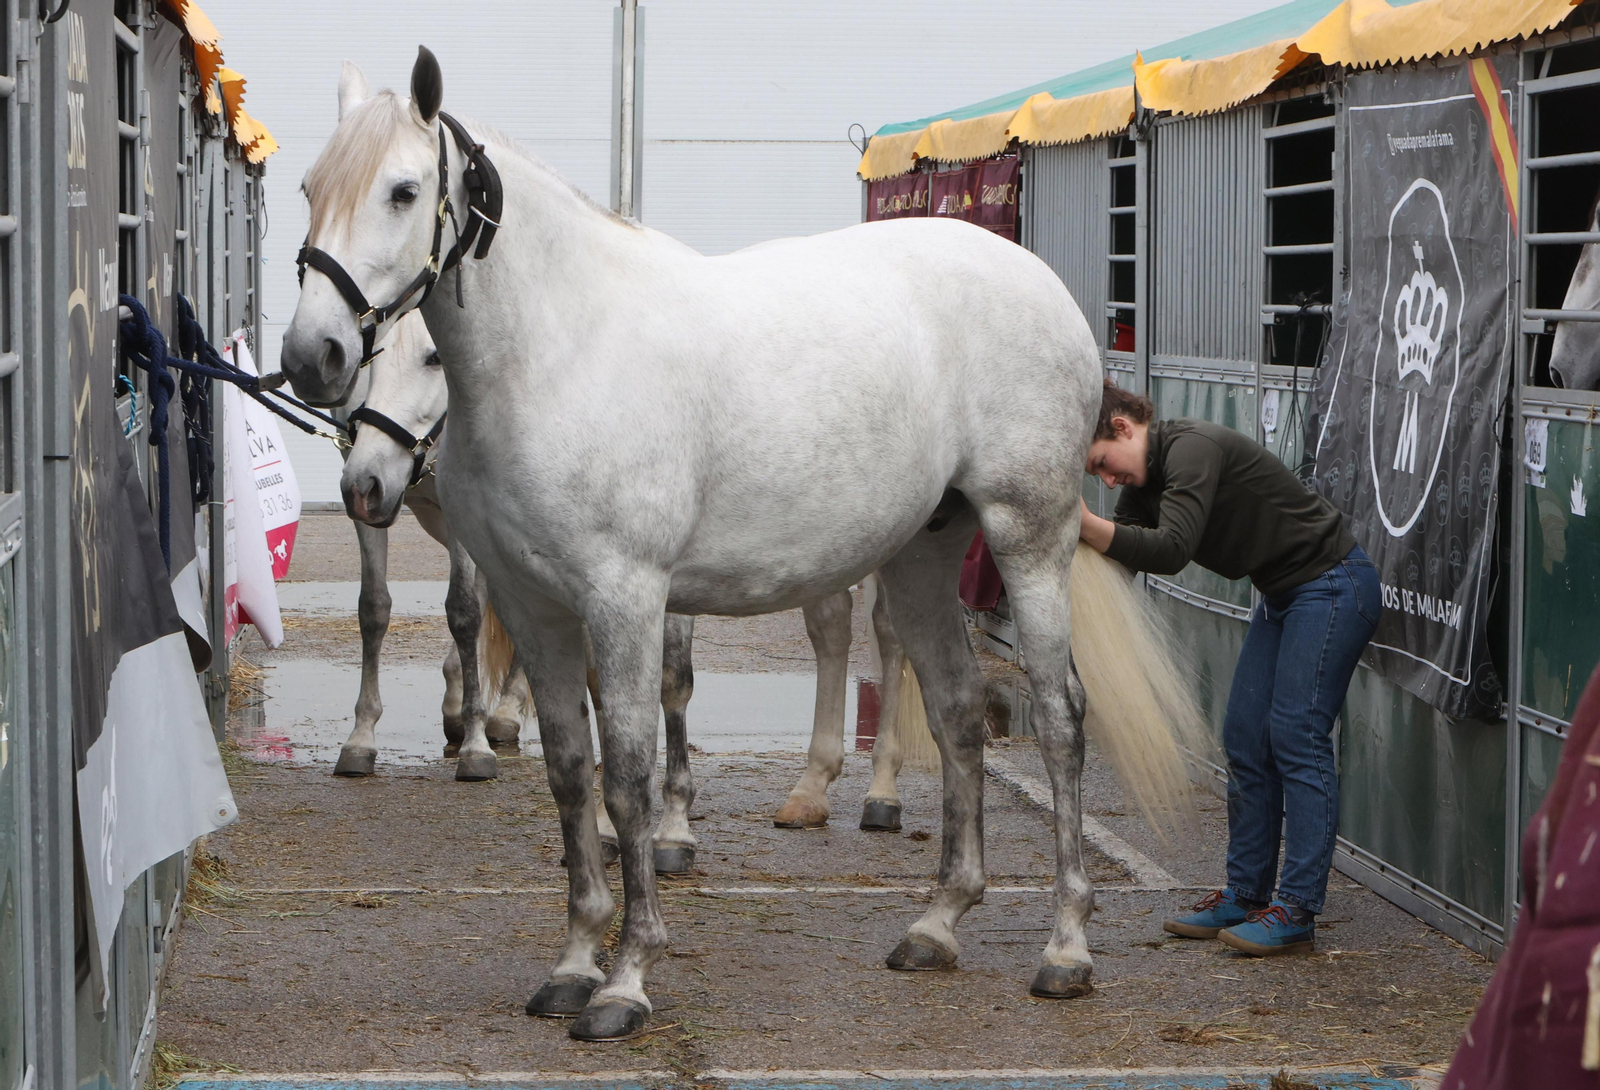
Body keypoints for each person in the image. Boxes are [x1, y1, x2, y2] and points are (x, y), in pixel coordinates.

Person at [1077, 380, 1381, 956]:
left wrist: (1085, 524)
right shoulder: (1146, 479)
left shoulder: (1192, 448)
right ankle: (1246, 895)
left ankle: (1295, 910)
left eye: (1103, 465)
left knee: (1298, 736)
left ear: (1122, 428)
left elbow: (1169, 549)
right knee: (1244, 736)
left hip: (1334, 585)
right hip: (1287, 593)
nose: (1108, 481)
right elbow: (1120, 563)